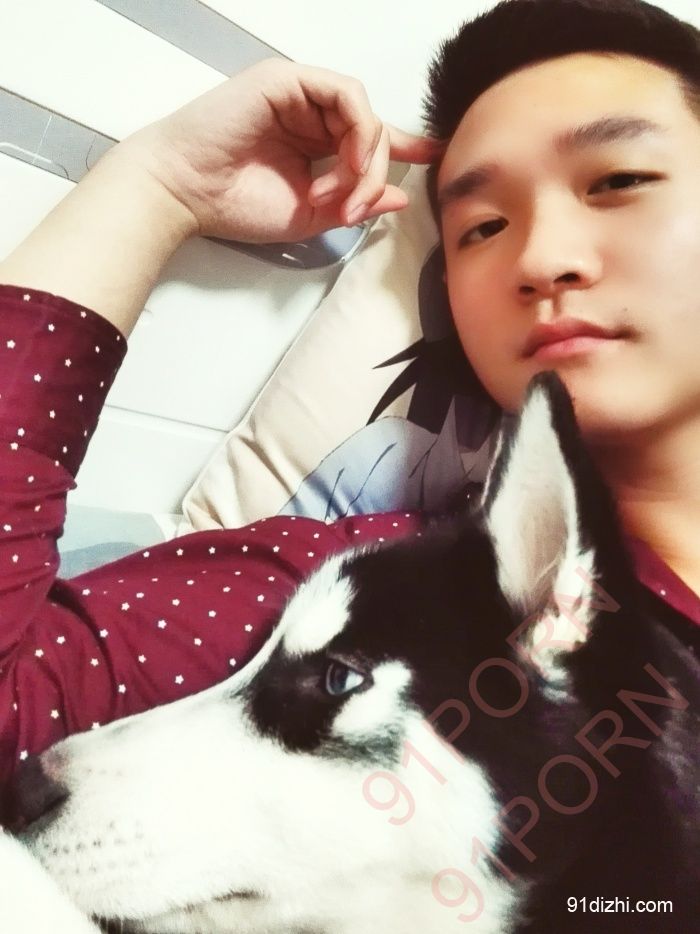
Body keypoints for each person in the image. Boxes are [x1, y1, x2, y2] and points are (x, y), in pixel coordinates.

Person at [0, 0, 697, 789]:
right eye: (483, 226)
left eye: (618, 181)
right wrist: (161, 185)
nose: (541, 258)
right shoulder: (366, 592)